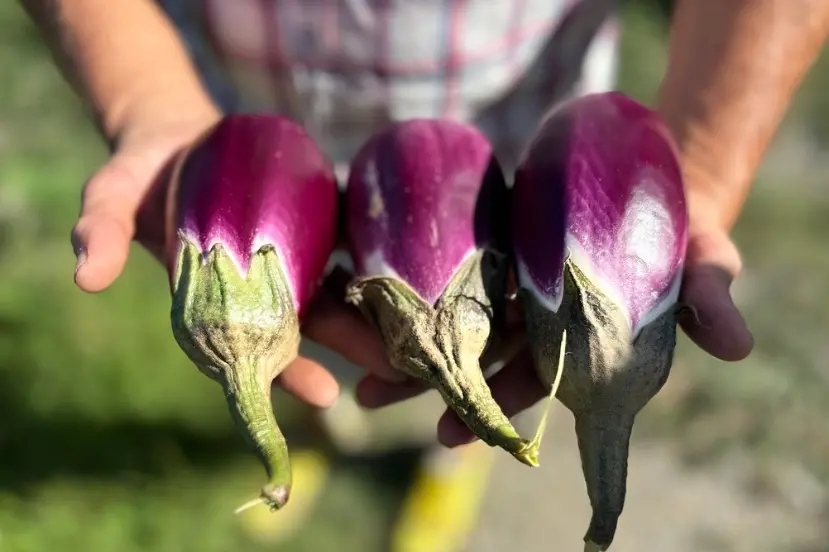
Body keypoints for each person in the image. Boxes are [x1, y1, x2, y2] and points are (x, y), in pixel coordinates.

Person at [20, 0, 829, 547]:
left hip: (519, 184)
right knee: (323, 354)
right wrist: (141, 94)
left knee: (480, 357)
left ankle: (456, 457)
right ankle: (309, 436)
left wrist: (704, 168)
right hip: (250, 137)